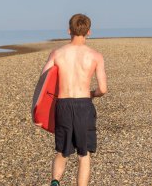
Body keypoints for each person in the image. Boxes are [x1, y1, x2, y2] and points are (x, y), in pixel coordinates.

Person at [40, 14, 107, 186]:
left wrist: (39, 111)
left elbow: (43, 83)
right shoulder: (95, 56)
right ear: (89, 32)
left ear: (69, 30)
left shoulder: (57, 53)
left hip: (63, 104)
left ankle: (55, 182)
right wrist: (92, 94)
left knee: (62, 150)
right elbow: (103, 89)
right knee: (83, 154)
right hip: (84, 105)